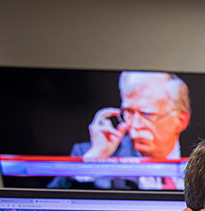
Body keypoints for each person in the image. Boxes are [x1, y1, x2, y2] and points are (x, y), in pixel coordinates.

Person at [50, 70, 192, 189]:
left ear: (181, 120)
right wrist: (96, 158)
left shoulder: (201, 158)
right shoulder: (87, 155)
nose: (135, 124)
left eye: (147, 114)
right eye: (129, 112)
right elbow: (46, 210)